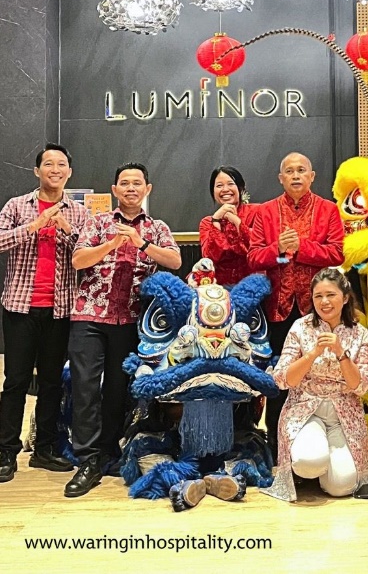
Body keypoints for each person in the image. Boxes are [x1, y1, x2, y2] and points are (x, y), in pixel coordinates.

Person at [64, 163, 181, 497]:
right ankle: (87, 459)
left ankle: (107, 450)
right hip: (89, 315)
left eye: (137, 183)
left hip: (130, 320)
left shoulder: (157, 227)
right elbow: (78, 260)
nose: (131, 188)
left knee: (118, 389)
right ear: (115, 189)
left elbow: (174, 261)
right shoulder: (98, 222)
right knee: (85, 387)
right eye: (125, 183)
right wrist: (112, 244)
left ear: (147, 189)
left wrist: (141, 244)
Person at [0, 144, 89, 483]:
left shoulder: (78, 212)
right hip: (20, 307)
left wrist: (66, 229)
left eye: (61, 164)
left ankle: (45, 448)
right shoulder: (17, 205)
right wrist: (34, 225)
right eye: (48, 164)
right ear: (37, 171)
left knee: (52, 382)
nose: (55, 169)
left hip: (60, 309)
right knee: (16, 381)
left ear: (69, 172)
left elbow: (87, 254)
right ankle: (6, 451)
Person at [248, 153, 344, 461]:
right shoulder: (265, 211)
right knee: (281, 376)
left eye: (301, 170)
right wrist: (278, 249)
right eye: (289, 171)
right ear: (281, 178)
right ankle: (278, 448)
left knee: (317, 373)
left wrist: (302, 247)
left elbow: (337, 253)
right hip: (277, 308)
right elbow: (253, 257)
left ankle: (317, 441)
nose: (296, 175)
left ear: (312, 176)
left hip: (317, 308)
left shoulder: (328, 210)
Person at [261, 268, 368, 502]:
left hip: (344, 413)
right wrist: (312, 354)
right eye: (318, 296)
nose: (324, 302)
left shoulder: (359, 333)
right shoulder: (300, 327)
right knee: (308, 462)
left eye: (331, 295)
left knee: (343, 486)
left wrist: (341, 353)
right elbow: (282, 379)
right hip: (305, 408)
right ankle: (312, 464)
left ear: (345, 298)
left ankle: (326, 468)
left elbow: (362, 386)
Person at [199, 166, 258, 286]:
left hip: (254, 284)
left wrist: (236, 221)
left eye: (230, 184)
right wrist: (216, 220)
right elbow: (209, 258)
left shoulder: (257, 212)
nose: (225, 189)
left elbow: (257, 248)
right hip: (219, 288)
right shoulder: (207, 222)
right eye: (219, 186)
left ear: (240, 188)